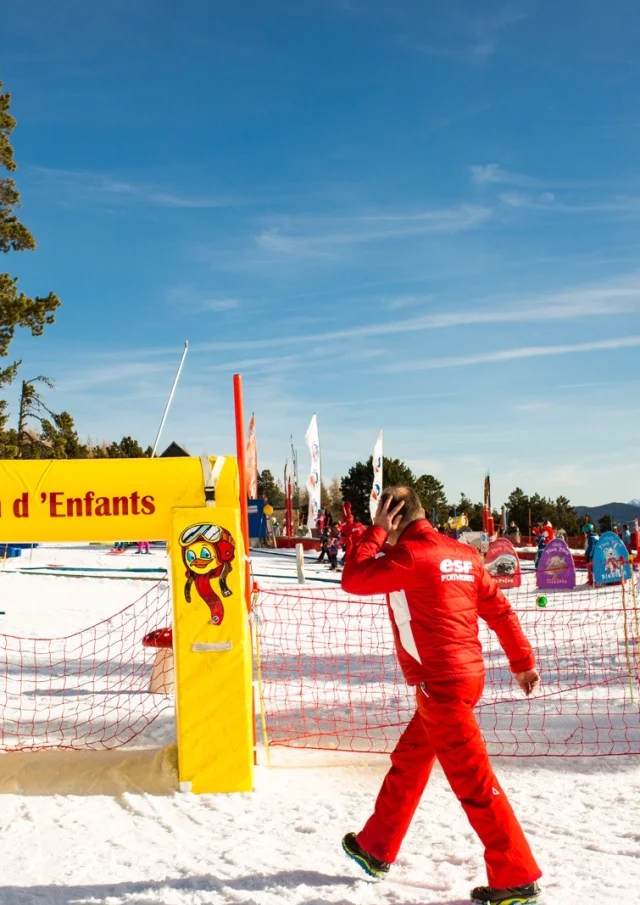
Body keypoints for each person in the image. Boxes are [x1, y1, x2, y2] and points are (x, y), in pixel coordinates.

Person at [339, 488, 541, 905]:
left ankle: (516, 876)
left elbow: (354, 578)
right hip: (464, 678)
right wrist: (522, 662)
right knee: (409, 763)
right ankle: (375, 846)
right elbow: (499, 611)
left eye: (382, 516)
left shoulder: (407, 557)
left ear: (393, 516)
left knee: (475, 784)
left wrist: (376, 532)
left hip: (441, 687)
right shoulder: (464, 555)